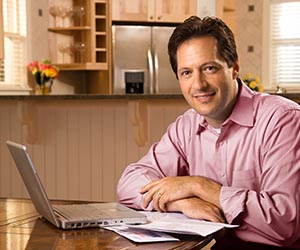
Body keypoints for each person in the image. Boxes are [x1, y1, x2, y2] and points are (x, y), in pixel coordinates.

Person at [117, 16, 300, 248]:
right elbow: (129, 183)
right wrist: (182, 202)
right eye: (186, 73)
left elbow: (284, 224)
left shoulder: (282, 120)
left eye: (209, 68)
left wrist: (199, 186)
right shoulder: (186, 127)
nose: (199, 84)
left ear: (234, 68)